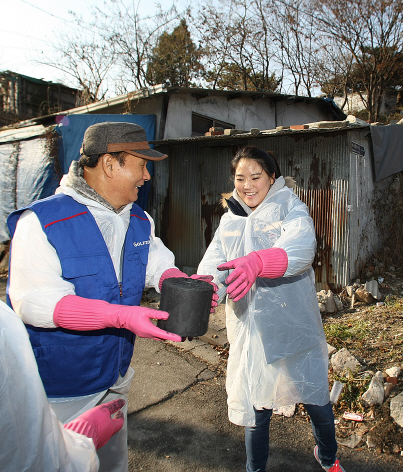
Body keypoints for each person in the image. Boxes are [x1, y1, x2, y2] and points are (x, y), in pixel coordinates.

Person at [6, 122, 218, 472]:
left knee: (110, 465)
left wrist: (179, 284)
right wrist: (119, 316)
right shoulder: (41, 222)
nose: (147, 176)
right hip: (63, 391)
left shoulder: (137, 218)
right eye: (141, 164)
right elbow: (35, 302)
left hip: (115, 378)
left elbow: (155, 262)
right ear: (109, 163)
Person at [197, 146, 345, 472]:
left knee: (316, 398)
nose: (247, 185)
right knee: (256, 408)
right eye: (240, 178)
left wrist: (260, 261)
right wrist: (208, 287)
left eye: (256, 177)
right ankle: (255, 469)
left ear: (272, 177)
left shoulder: (289, 206)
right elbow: (216, 263)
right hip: (252, 330)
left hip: (293, 325)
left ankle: (328, 456)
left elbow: (302, 244)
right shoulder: (230, 220)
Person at [0, 299, 125, 471]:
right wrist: (79, 445)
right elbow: (29, 458)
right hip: (63, 391)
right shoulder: (4, 328)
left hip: (112, 372)